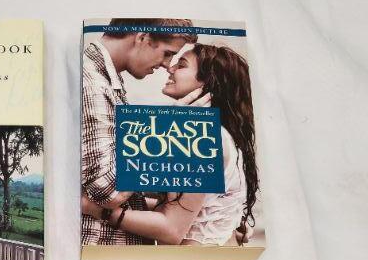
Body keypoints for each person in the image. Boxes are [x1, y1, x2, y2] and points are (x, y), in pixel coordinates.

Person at [82, 43, 258, 247]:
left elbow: (171, 229)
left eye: (181, 65)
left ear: (208, 82)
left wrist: (98, 210)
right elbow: (173, 208)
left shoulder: (201, 135)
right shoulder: (209, 132)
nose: (170, 68)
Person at [81, 18, 209, 246]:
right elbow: (108, 191)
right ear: (142, 37)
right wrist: (166, 128)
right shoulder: (93, 84)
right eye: (167, 53)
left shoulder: (106, 81)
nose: (167, 65)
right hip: (104, 252)